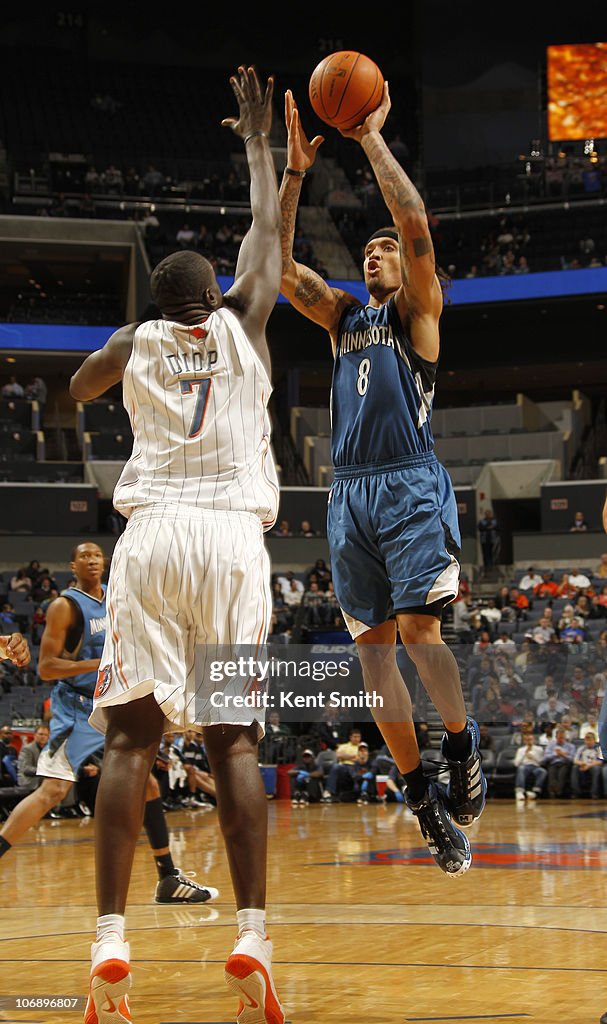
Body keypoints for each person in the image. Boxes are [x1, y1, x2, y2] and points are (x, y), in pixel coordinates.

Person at [69, 67, 284, 1024]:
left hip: (150, 541)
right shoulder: (243, 326)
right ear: (218, 296)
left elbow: (77, 389)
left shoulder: (134, 341)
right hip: (231, 545)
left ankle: (111, 940)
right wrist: (254, 147)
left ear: (161, 305)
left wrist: (123, 348)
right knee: (232, 740)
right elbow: (268, 242)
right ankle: (250, 932)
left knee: (127, 740)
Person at [279, 87, 485, 877]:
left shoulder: (419, 313)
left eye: (383, 249)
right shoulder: (340, 318)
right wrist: (296, 172)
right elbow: (275, 266)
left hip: (408, 486)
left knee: (421, 634)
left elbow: (416, 225)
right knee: (371, 658)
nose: (374, 254)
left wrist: (367, 139)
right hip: (348, 494)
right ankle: (424, 802)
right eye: (365, 250)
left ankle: (460, 745)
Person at [0, 543, 214, 900]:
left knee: (148, 786)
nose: (92, 560)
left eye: (97, 555)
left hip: (112, 704)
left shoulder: (115, 600)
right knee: (53, 791)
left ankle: (168, 878)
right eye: (84, 556)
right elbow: (47, 667)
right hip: (77, 710)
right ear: (73, 564)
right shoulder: (64, 606)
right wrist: (99, 665)